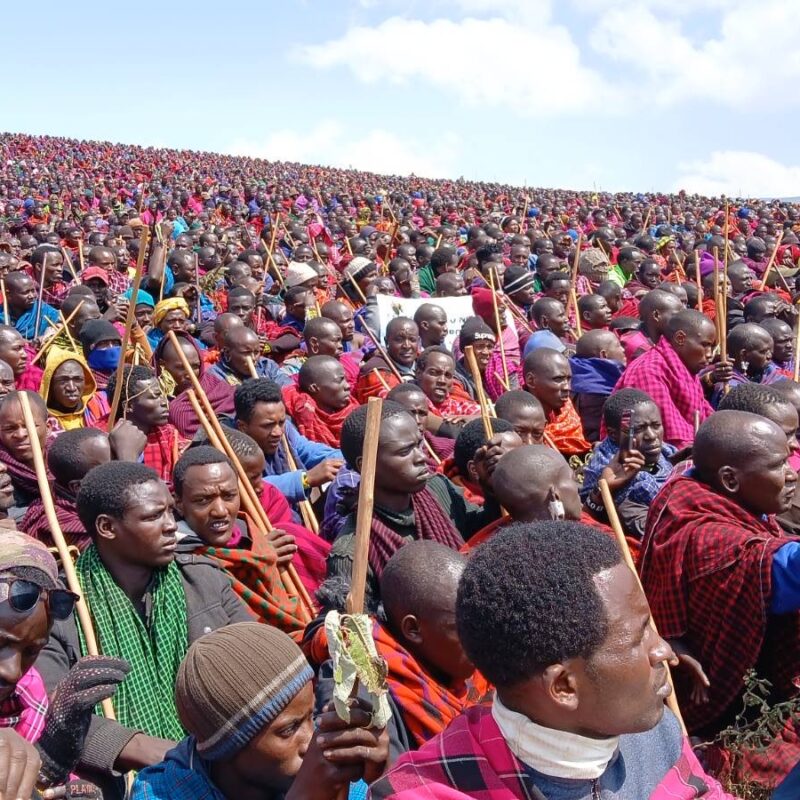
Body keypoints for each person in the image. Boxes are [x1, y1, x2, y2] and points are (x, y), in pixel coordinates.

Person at [370, 522, 735, 799]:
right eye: (639, 637)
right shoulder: (429, 789)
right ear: (563, 686)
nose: (664, 652)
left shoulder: (655, 732)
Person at [35, 461, 254, 786]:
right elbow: (50, 712)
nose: (171, 527)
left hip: (220, 762)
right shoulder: (62, 609)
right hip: (122, 784)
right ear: (107, 527)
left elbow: (257, 662)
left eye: (170, 512)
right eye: (154, 516)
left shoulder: (204, 581)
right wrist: (150, 749)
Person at [640, 411, 800, 788]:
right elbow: (785, 569)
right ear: (729, 479)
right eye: (778, 464)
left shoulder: (691, 486)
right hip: (718, 702)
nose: (792, 473)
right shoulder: (714, 541)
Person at [131, 622, 389, 800]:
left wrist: (379, 778)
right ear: (226, 748)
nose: (310, 741)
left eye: (311, 717)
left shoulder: (327, 775)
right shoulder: (162, 792)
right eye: (289, 730)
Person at [328, 402, 500, 606]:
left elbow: (483, 532)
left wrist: (491, 484)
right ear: (365, 465)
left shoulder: (437, 488)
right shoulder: (352, 552)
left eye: (418, 445)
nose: (422, 458)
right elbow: (358, 630)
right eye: (404, 451)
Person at [0, 529, 130, 799]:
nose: (12, 671)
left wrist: (50, 768)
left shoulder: (27, 694)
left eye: (30, 652)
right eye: (0, 643)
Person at [172, 446, 307, 633]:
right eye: (203, 500)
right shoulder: (179, 567)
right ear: (179, 504)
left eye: (229, 496)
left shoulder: (253, 537)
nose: (220, 510)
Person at [613, 309, 722, 448]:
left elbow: (706, 415)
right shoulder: (650, 371)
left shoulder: (683, 367)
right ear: (680, 338)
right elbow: (665, 437)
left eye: (711, 347)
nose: (709, 354)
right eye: (705, 345)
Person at [582, 388, 677, 539]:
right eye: (638, 429)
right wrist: (603, 488)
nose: (652, 436)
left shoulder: (668, 453)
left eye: (656, 425)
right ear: (613, 434)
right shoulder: (605, 469)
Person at [234, 378, 344, 507]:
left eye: (281, 422)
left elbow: (308, 450)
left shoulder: (285, 430)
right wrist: (305, 479)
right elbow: (248, 488)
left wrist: (346, 459)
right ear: (242, 427)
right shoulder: (229, 445)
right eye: (267, 425)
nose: (278, 432)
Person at [171, 325, 289, 437]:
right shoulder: (214, 377)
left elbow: (288, 390)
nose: (253, 359)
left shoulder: (267, 365)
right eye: (246, 353)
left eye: (256, 352)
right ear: (227, 353)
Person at [106, 365, 188, 485]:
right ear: (128, 406)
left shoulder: (169, 436)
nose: (165, 403)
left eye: (162, 395)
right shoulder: (102, 439)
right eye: (154, 397)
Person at [522, 347, 590, 456]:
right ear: (531, 381)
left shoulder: (567, 412)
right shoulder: (516, 418)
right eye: (558, 379)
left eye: (568, 379)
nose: (567, 387)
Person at [282, 356, 359, 448]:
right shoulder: (299, 418)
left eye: (346, 379)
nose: (348, 386)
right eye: (340, 380)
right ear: (314, 388)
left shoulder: (355, 411)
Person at [570, 329, 627, 442]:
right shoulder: (601, 390)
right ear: (604, 355)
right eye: (618, 345)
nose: (623, 349)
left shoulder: (576, 371)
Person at [0, 390, 49, 519]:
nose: (21, 435)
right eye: (10, 428)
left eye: (30, 426)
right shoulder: (2, 474)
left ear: (48, 427)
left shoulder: (64, 462)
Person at [39, 346, 107, 430]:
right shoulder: (40, 420)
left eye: (78, 379)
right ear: (50, 383)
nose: (71, 388)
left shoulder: (100, 405)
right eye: (63, 380)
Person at [355, 317, 419, 403]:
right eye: (399, 340)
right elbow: (397, 405)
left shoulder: (425, 361)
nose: (407, 346)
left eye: (412, 340)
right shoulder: (376, 371)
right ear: (386, 342)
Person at [414, 347, 480, 419]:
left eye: (447, 375)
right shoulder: (408, 403)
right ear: (418, 373)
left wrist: (467, 419)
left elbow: (487, 417)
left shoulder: (455, 407)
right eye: (434, 373)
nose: (442, 381)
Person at [0, 270, 59, 339]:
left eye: (33, 291)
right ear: (9, 295)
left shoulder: (45, 311)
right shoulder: (2, 316)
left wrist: (44, 337)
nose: (32, 296)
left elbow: (58, 327)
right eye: (25, 292)